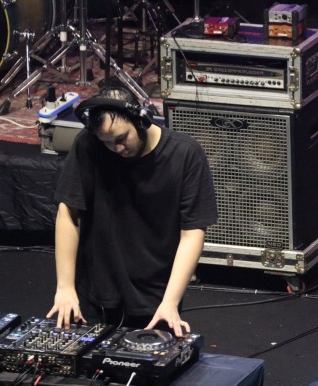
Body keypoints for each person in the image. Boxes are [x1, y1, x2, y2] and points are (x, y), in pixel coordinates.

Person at [47, 88, 218, 337]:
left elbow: (192, 233)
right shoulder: (88, 144)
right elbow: (68, 212)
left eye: (121, 138)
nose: (116, 148)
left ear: (141, 120)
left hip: (155, 298)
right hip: (94, 291)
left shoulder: (185, 154)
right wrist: (65, 287)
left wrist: (170, 302)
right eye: (106, 142)